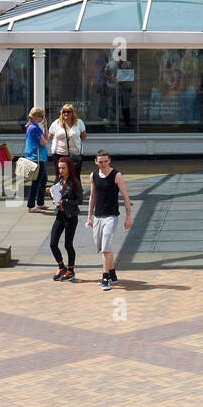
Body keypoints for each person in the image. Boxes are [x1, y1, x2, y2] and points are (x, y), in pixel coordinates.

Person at [85, 150, 132, 292]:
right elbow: (92, 197)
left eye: (105, 161)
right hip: (97, 216)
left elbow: (125, 197)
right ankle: (112, 274)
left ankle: (105, 278)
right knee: (103, 247)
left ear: (109, 160)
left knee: (105, 247)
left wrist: (128, 216)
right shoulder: (93, 176)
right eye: (100, 161)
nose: (103, 164)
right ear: (96, 162)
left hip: (111, 216)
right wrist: (89, 217)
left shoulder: (117, 176)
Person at [49, 156, 81, 282]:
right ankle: (61, 266)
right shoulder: (59, 180)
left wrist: (66, 201)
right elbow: (56, 194)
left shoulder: (74, 182)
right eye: (59, 168)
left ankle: (71, 269)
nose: (61, 170)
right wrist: (51, 192)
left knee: (68, 244)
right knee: (53, 243)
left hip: (71, 216)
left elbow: (79, 200)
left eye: (63, 168)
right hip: (60, 215)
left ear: (69, 168)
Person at [22, 106, 50, 213]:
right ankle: (31, 206)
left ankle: (40, 203)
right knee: (36, 182)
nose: (43, 118)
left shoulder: (32, 126)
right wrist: (43, 130)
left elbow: (46, 137)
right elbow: (44, 142)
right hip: (36, 158)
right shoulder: (34, 128)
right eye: (42, 116)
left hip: (38, 157)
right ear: (36, 117)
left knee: (43, 181)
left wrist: (45, 126)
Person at [47, 104, 86, 168]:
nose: (66, 113)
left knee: (75, 175)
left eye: (68, 112)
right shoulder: (56, 123)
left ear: (72, 113)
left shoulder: (79, 122)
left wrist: (75, 140)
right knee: (60, 174)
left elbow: (83, 136)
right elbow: (50, 136)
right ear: (61, 113)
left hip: (75, 153)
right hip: (59, 153)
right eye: (64, 112)